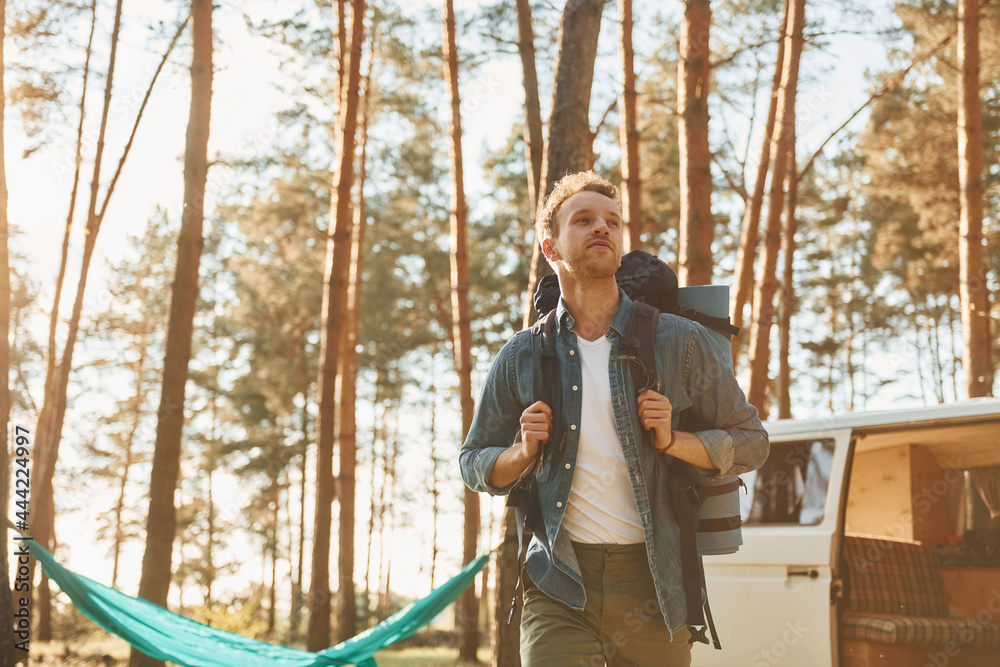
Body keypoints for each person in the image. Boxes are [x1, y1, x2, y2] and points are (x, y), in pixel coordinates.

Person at [459, 171, 769, 666]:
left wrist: (675, 441)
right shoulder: (520, 354)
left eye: (612, 222)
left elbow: (751, 441)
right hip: (558, 579)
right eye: (582, 221)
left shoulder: (680, 341)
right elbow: (472, 461)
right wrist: (520, 452)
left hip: (654, 583)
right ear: (551, 247)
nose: (602, 228)